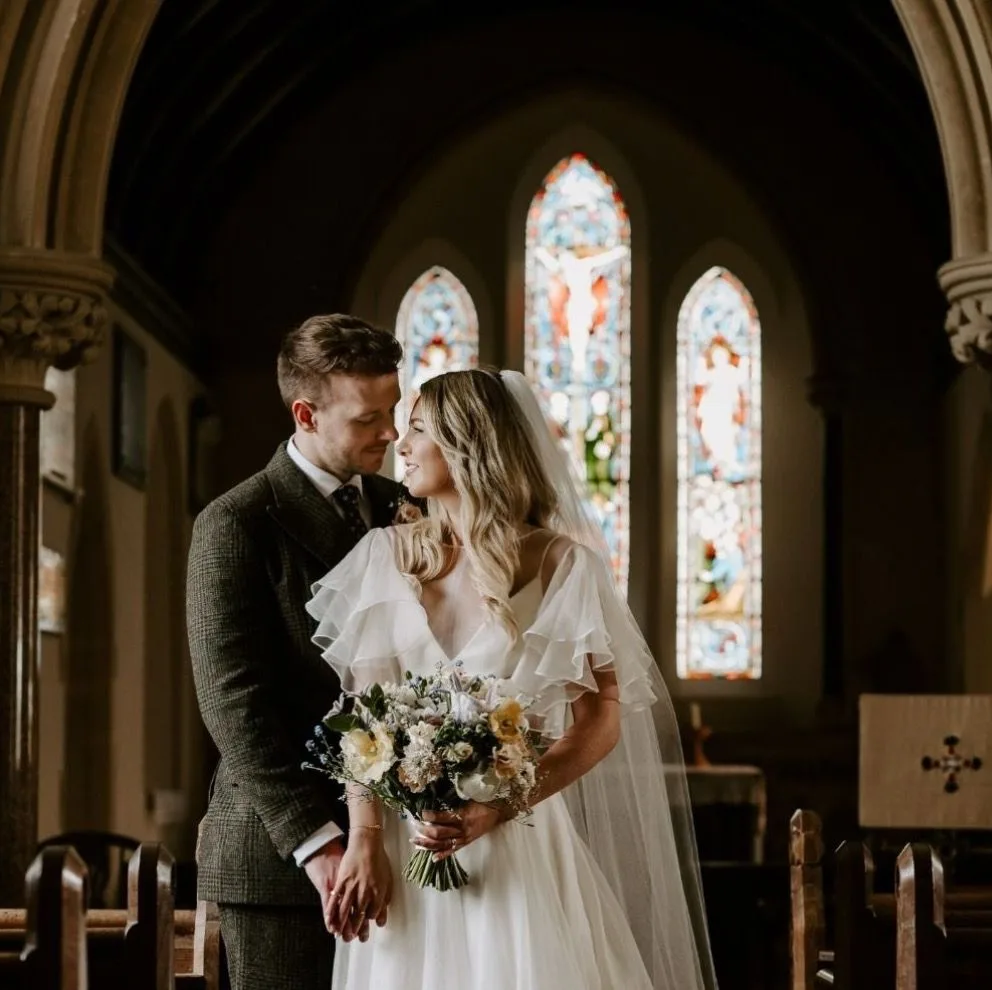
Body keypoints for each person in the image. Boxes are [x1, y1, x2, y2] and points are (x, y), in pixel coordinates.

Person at [306, 368, 717, 989]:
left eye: (418, 430)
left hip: (514, 845)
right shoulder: (382, 557)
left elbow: (602, 716)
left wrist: (496, 808)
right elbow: (361, 716)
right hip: (404, 848)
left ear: (468, 445)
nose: (401, 446)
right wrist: (364, 839)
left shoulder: (562, 565)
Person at [186, 314, 411, 990]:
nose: (391, 432)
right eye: (368, 418)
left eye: (394, 410)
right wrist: (321, 843)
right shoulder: (237, 523)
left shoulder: (403, 507)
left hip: (402, 847)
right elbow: (232, 701)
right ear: (306, 413)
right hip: (285, 859)